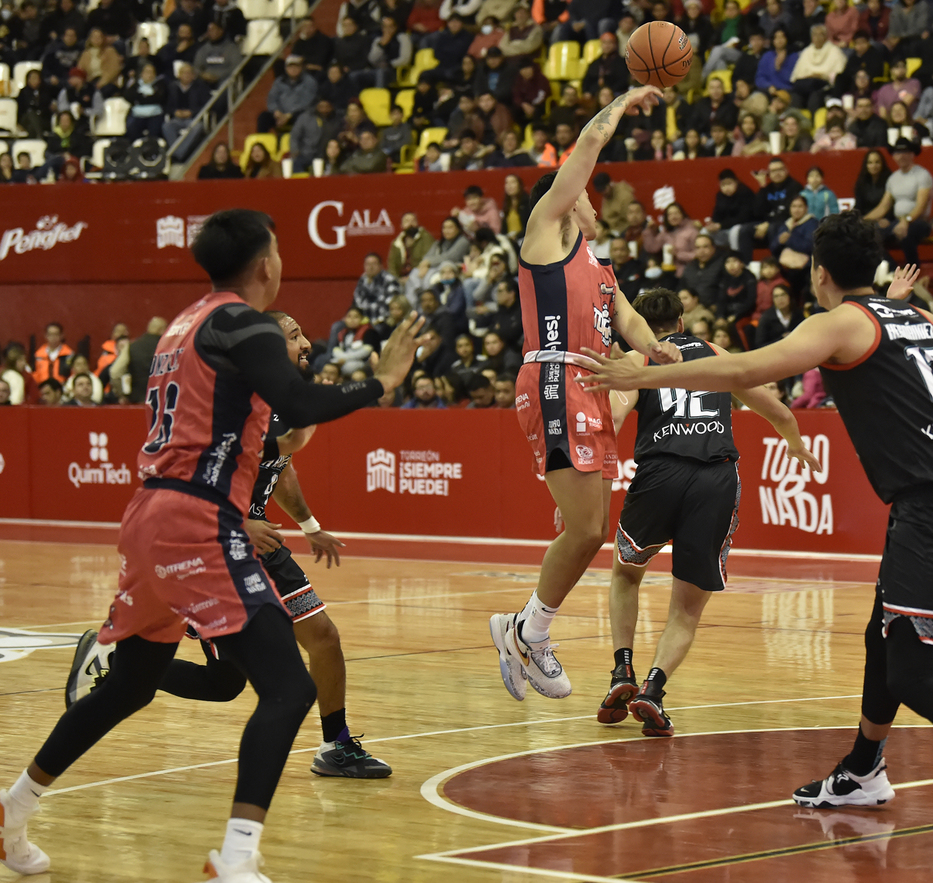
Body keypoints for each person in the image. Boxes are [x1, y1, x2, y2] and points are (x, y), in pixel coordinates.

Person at [579, 211, 933, 859]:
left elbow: (744, 371)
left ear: (820, 274)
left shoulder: (841, 323)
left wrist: (641, 376)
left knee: (912, 673)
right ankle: (863, 768)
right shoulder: (921, 318)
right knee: (880, 638)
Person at [0, 210, 426, 882]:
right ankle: (236, 857)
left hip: (150, 512)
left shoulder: (182, 325)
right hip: (196, 520)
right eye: (278, 250)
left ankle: (13, 809)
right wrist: (385, 382)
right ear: (265, 264)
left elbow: (270, 425)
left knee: (131, 685)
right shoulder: (241, 322)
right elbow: (298, 400)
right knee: (287, 686)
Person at [68, 312, 391, 779]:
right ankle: (114, 662)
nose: (306, 342)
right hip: (216, 547)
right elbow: (196, 480)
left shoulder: (279, 401)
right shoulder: (238, 402)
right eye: (294, 335)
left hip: (260, 546)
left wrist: (309, 524)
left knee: (322, 639)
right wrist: (239, 522)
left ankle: (335, 746)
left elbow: (280, 467)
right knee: (226, 685)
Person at [485, 85, 682, 705]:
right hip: (554, 377)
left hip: (589, 384)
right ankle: (528, 630)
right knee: (583, 526)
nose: (593, 203)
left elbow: (629, 319)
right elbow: (590, 142)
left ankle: (526, 627)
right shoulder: (547, 231)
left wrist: (657, 349)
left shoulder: (599, 266)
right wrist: (625, 99)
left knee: (593, 528)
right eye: (586, 195)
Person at [597, 288, 820, 735]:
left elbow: (612, 423)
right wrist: (795, 443)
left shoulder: (638, 360)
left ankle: (622, 669)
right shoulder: (716, 354)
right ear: (682, 322)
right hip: (715, 480)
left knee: (626, 574)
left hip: (658, 474)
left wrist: (589, 484)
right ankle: (653, 690)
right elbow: (779, 411)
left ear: (638, 326)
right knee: (686, 607)